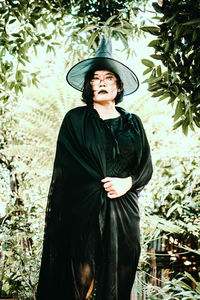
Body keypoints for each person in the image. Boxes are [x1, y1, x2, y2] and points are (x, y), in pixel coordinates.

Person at [36, 36, 153, 300]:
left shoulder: (133, 123)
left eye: (108, 77)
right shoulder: (75, 120)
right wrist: (98, 184)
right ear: (89, 86)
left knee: (121, 276)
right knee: (81, 278)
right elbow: (67, 168)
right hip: (83, 211)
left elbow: (145, 166)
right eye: (95, 78)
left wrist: (127, 183)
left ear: (118, 85)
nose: (101, 82)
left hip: (124, 213)